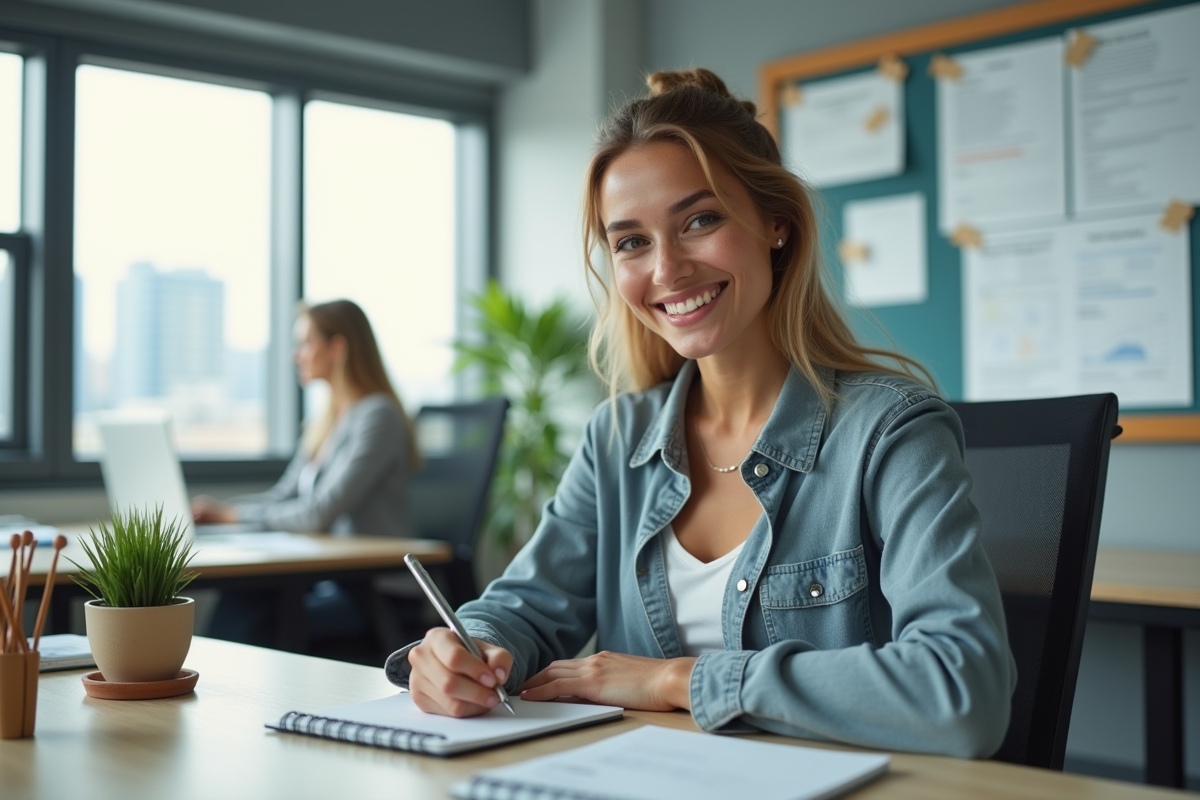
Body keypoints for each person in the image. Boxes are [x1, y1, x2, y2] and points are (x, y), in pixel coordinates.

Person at [385, 69, 1016, 758]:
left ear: (777, 224)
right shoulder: (618, 437)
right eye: (630, 241)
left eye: (699, 220)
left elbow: (963, 694)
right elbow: (528, 608)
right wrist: (464, 653)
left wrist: (674, 681)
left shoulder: (890, 431)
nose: (667, 270)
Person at [195, 298, 419, 644]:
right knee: (242, 599)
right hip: (331, 579)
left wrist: (229, 515)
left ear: (337, 347)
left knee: (254, 621)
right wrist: (221, 511)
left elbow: (319, 513)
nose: (295, 355)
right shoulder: (326, 420)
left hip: (375, 591)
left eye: (304, 343)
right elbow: (282, 495)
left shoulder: (378, 415)